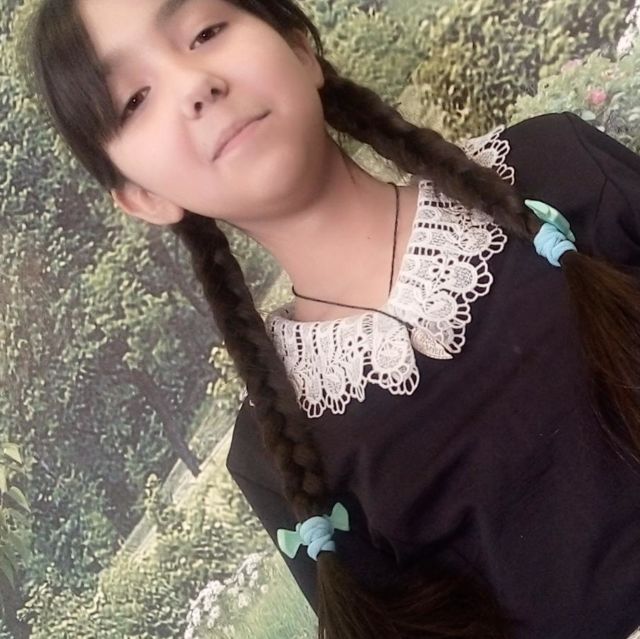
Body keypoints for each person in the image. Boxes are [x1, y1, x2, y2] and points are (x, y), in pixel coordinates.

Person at [23, 0, 640, 637]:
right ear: (142, 196)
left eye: (205, 32)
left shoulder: (556, 170)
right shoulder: (278, 462)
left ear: (298, 45)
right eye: (134, 99)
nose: (194, 86)